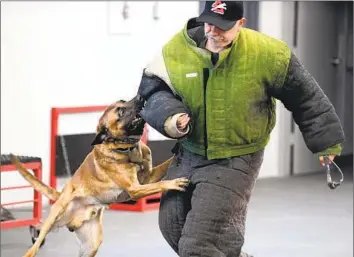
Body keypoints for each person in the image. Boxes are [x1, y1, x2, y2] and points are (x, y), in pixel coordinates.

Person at [136, 1, 345, 256]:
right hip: (188, 153)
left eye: (223, 27)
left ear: (240, 24)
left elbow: (306, 97)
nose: (213, 32)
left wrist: (325, 142)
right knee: (172, 226)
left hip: (237, 158)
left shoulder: (268, 54)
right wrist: (171, 116)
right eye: (209, 23)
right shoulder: (176, 49)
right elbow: (153, 91)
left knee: (200, 244)